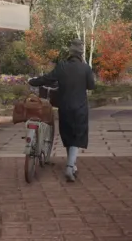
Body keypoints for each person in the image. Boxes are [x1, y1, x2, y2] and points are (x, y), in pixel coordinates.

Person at [29, 41, 96, 183]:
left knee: (67, 135)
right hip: (80, 108)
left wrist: (32, 81)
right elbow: (91, 86)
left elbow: (47, 78)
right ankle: (70, 166)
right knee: (77, 136)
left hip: (64, 107)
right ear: (81, 54)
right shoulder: (86, 68)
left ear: (70, 53)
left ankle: (72, 166)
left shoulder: (62, 67)